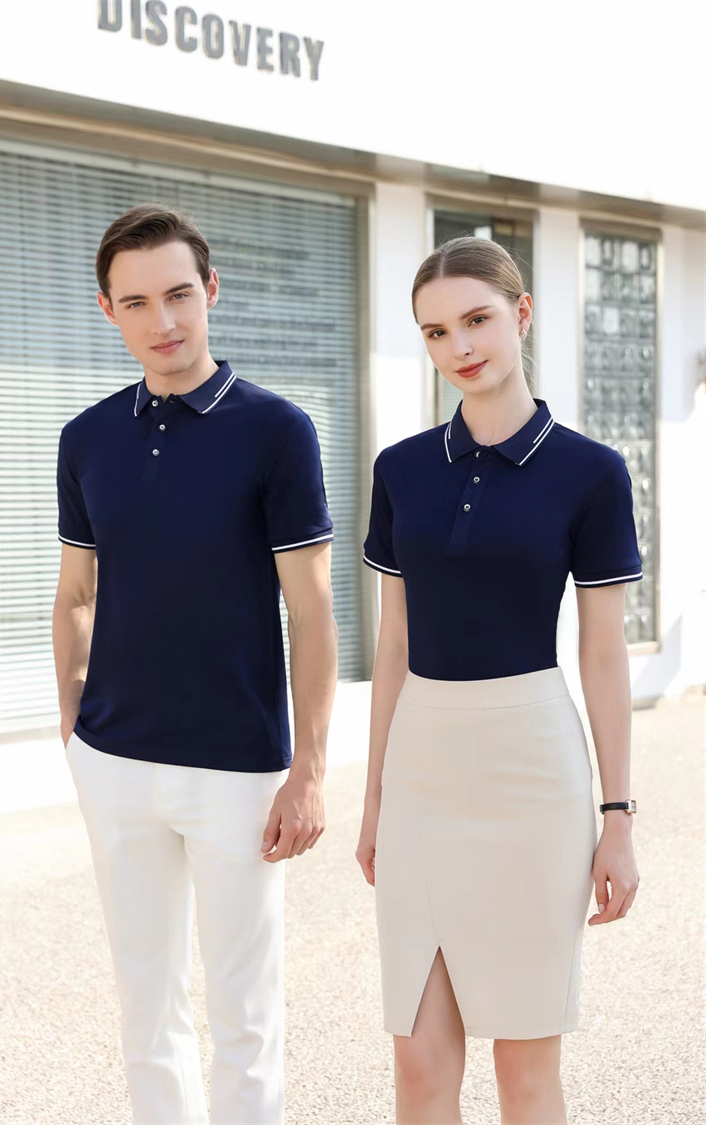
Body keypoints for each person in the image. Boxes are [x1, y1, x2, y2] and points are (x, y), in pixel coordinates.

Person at [52, 204, 338, 1125]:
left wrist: (309, 769)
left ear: (211, 289)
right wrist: (74, 726)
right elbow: (77, 592)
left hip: (238, 770)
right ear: (108, 310)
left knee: (244, 1015)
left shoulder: (277, 430)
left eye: (179, 294)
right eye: (137, 302)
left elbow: (313, 609)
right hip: (115, 762)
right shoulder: (86, 438)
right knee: (147, 1010)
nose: (163, 320)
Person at [356, 237, 641, 1125]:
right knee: (418, 1068)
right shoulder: (400, 469)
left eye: (477, 319)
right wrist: (373, 799)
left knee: (524, 1072)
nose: (460, 346)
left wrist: (618, 818)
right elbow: (394, 641)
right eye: (436, 332)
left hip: (531, 775)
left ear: (521, 314)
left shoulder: (591, 473)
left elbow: (603, 654)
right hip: (420, 777)